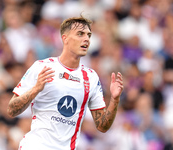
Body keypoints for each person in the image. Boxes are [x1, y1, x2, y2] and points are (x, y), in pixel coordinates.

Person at [7, 15, 124, 150]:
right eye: (80, 34)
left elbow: (102, 126)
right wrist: (35, 89)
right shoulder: (41, 67)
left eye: (89, 35)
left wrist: (115, 99)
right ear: (65, 38)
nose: (86, 39)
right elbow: (11, 110)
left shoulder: (91, 78)